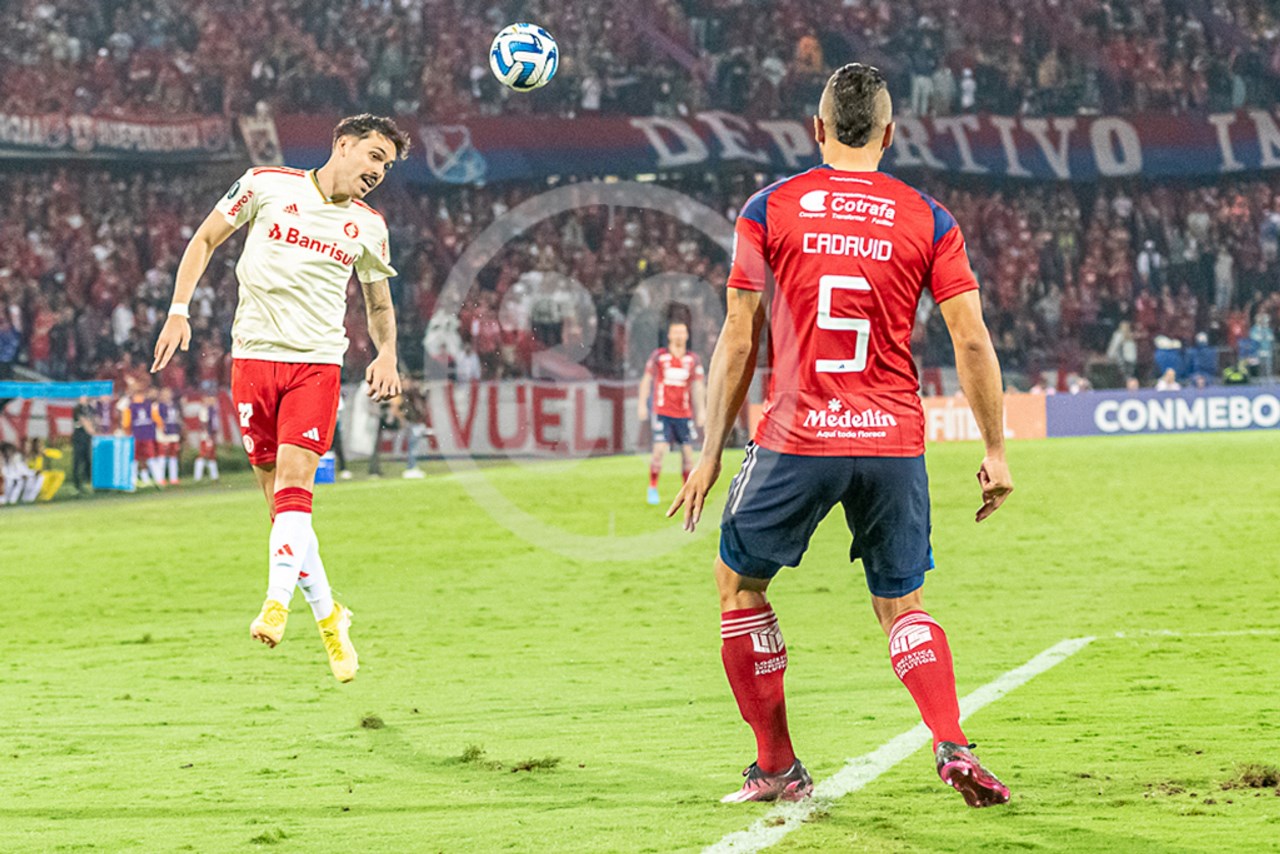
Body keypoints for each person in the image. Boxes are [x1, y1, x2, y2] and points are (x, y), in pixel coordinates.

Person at [670, 64, 1014, 807]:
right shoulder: (930, 218)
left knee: (738, 586)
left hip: (799, 435)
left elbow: (739, 333)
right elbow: (971, 338)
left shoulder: (768, 208)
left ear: (818, 129)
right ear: (889, 135)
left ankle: (777, 767)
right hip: (893, 439)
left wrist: (709, 453)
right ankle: (951, 740)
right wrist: (994, 448)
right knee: (902, 605)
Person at [152, 113, 410, 682]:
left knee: (296, 490)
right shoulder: (265, 184)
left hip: (316, 365)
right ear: (342, 144)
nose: (378, 171)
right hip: (251, 361)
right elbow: (204, 239)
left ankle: (275, 603)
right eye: (373, 156)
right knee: (280, 510)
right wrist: (178, 311)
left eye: (387, 166)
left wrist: (387, 353)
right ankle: (330, 617)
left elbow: (379, 304)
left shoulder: (368, 226)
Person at [637, 320, 706, 505]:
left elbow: (698, 387)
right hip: (663, 412)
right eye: (675, 332)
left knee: (688, 455)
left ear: (687, 335)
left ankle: (687, 491)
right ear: (669, 335)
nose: (679, 336)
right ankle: (652, 487)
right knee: (659, 450)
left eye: (682, 332)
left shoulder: (693, 359)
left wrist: (701, 411)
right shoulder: (659, 357)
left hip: (684, 414)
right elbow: (646, 380)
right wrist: (642, 404)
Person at [155, 387, 183, 485]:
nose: (167, 396)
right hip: (163, 434)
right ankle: (160, 478)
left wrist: (179, 430)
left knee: (173, 456)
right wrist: (161, 431)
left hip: (173, 432)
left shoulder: (174, 405)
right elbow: (157, 420)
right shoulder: (158, 406)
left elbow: (177, 419)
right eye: (165, 394)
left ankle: (174, 478)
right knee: (162, 456)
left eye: (169, 393)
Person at [193, 396, 221, 482]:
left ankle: (214, 476)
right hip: (206, 436)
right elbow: (204, 424)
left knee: (211, 455)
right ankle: (197, 476)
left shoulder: (213, 410)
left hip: (211, 435)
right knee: (203, 454)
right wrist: (207, 435)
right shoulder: (205, 410)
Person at [71, 394, 95, 494]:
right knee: (78, 461)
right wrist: (94, 432)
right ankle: (77, 485)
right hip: (79, 438)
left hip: (88, 438)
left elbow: (94, 420)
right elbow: (84, 422)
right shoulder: (77, 409)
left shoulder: (90, 408)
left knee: (88, 460)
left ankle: (87, 482)